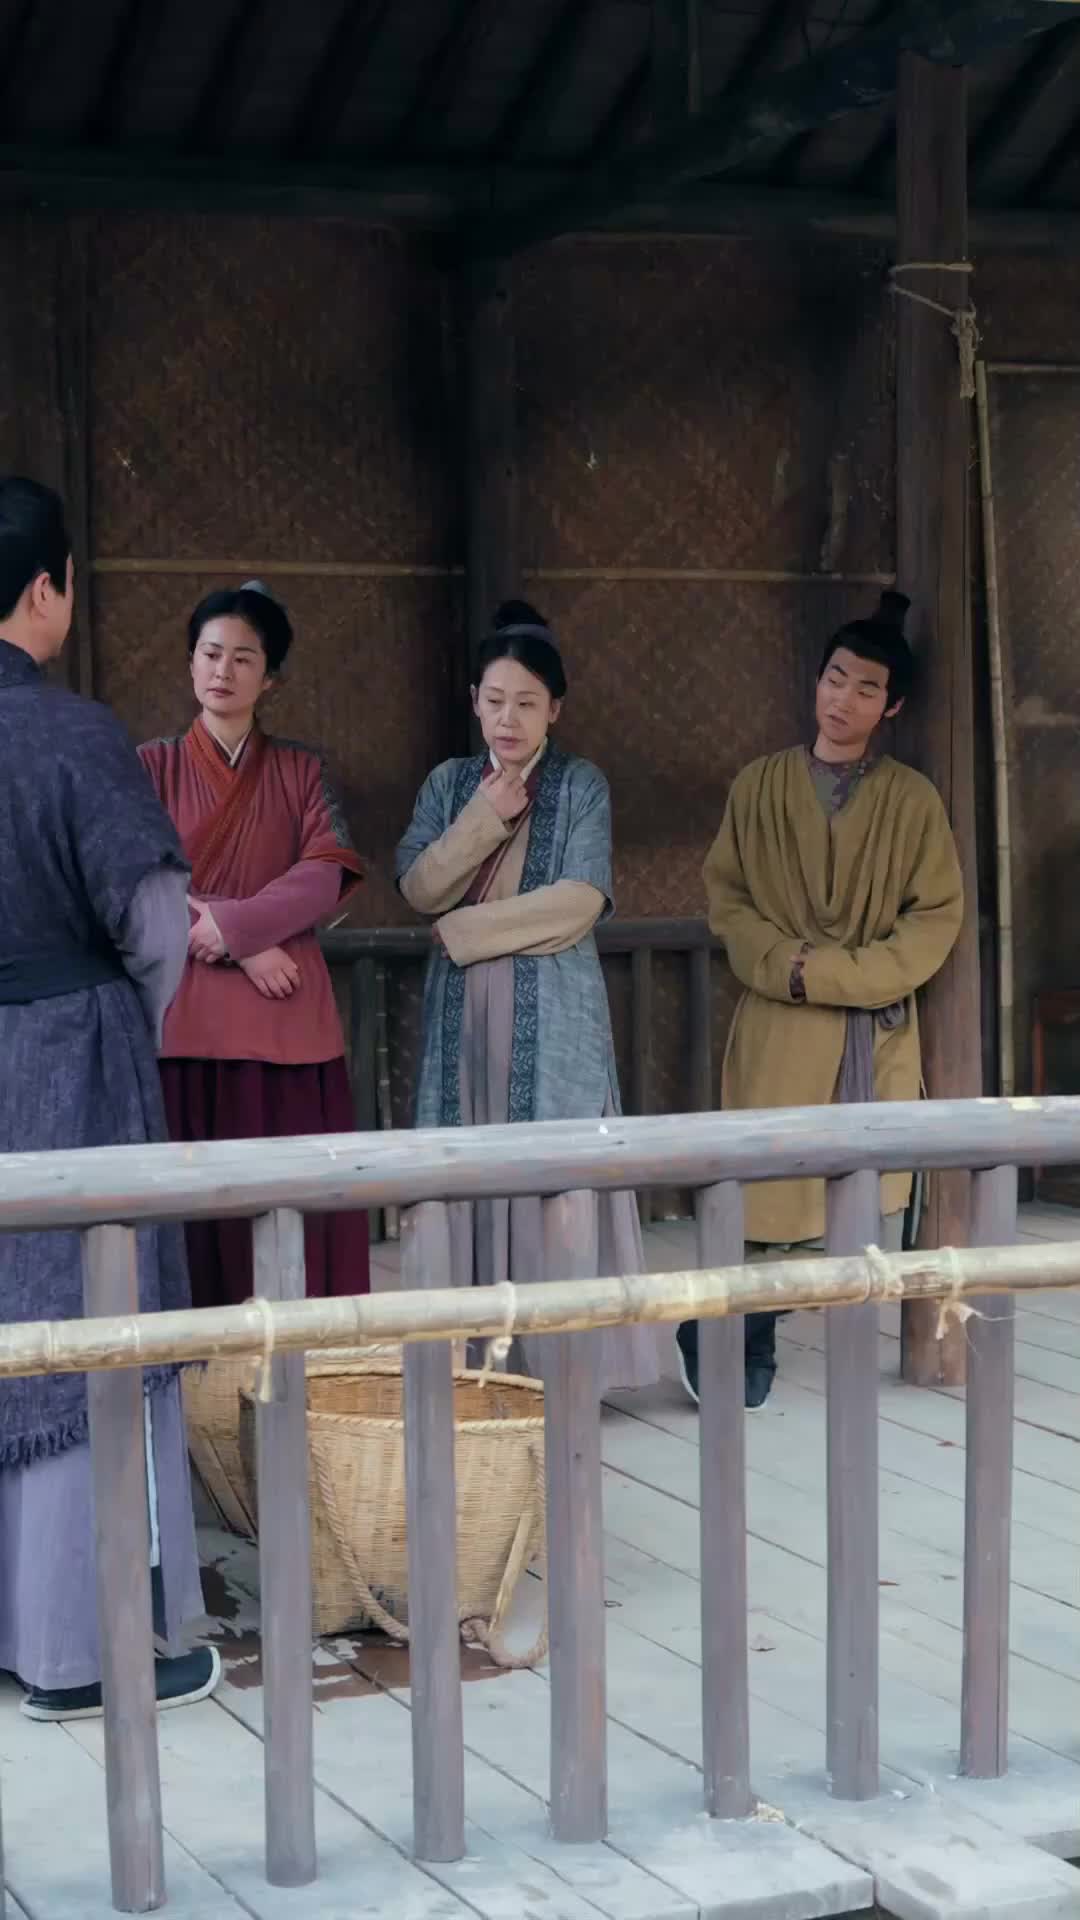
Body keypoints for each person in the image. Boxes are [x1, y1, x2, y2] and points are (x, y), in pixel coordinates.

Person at [0, 475, 217, 1721]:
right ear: (49, 587)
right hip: (66, 1063)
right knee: (84, 1325)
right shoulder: (74, 732)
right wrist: (122, 1023)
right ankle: (75, 1652)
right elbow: (153, 923)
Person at [676, 590, 964, 1410]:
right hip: (780, 1024)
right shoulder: (759, 785)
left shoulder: (913, 800)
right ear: (816, 681)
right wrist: (786, 968)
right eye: (835, 678)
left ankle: (744, 1322)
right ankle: (736, 1331)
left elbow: (934, 919)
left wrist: (832, 975)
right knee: (765, 1195)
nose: (844, 699)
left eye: (867, 689)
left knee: (858, 1211)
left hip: (871, 1032)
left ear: (892, 707)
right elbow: (729, 902)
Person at [396, 600, 659, 1392]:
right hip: (463, 1024)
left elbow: (579, 902)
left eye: (527, 703)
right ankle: (468, 1362)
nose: (508, 719)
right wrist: (485, 816)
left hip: (556, 1015)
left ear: (555, 710)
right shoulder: (449, 785)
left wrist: (463, 931)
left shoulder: (581, 786)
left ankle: (563, 1366)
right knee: (465, 1173)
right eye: (496, 700)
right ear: (475, 701)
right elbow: (417, 885)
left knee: (557, 1178)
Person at [138, 582, 369, 1308]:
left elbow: (327, 870)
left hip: (284, 1018)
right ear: (190, 662)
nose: (223, 670)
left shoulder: (303, 770)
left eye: (244, 658)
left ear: (270, 678)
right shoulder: (150, 767)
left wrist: (235, 928)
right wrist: (245, 942)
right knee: (190, 1213)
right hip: (185, 1014)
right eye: (211, 653)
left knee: (291, 1201)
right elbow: (136, 879)